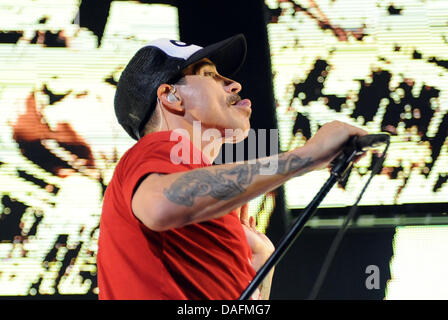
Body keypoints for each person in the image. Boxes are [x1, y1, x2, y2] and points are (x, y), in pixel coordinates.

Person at [97, 34, 367, 300]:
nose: (235, 85)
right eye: (210, 75)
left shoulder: (212, 208)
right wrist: (307, 156)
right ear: (171, 97)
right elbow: (159, 205)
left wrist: (262, 266)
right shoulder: (157, 148)